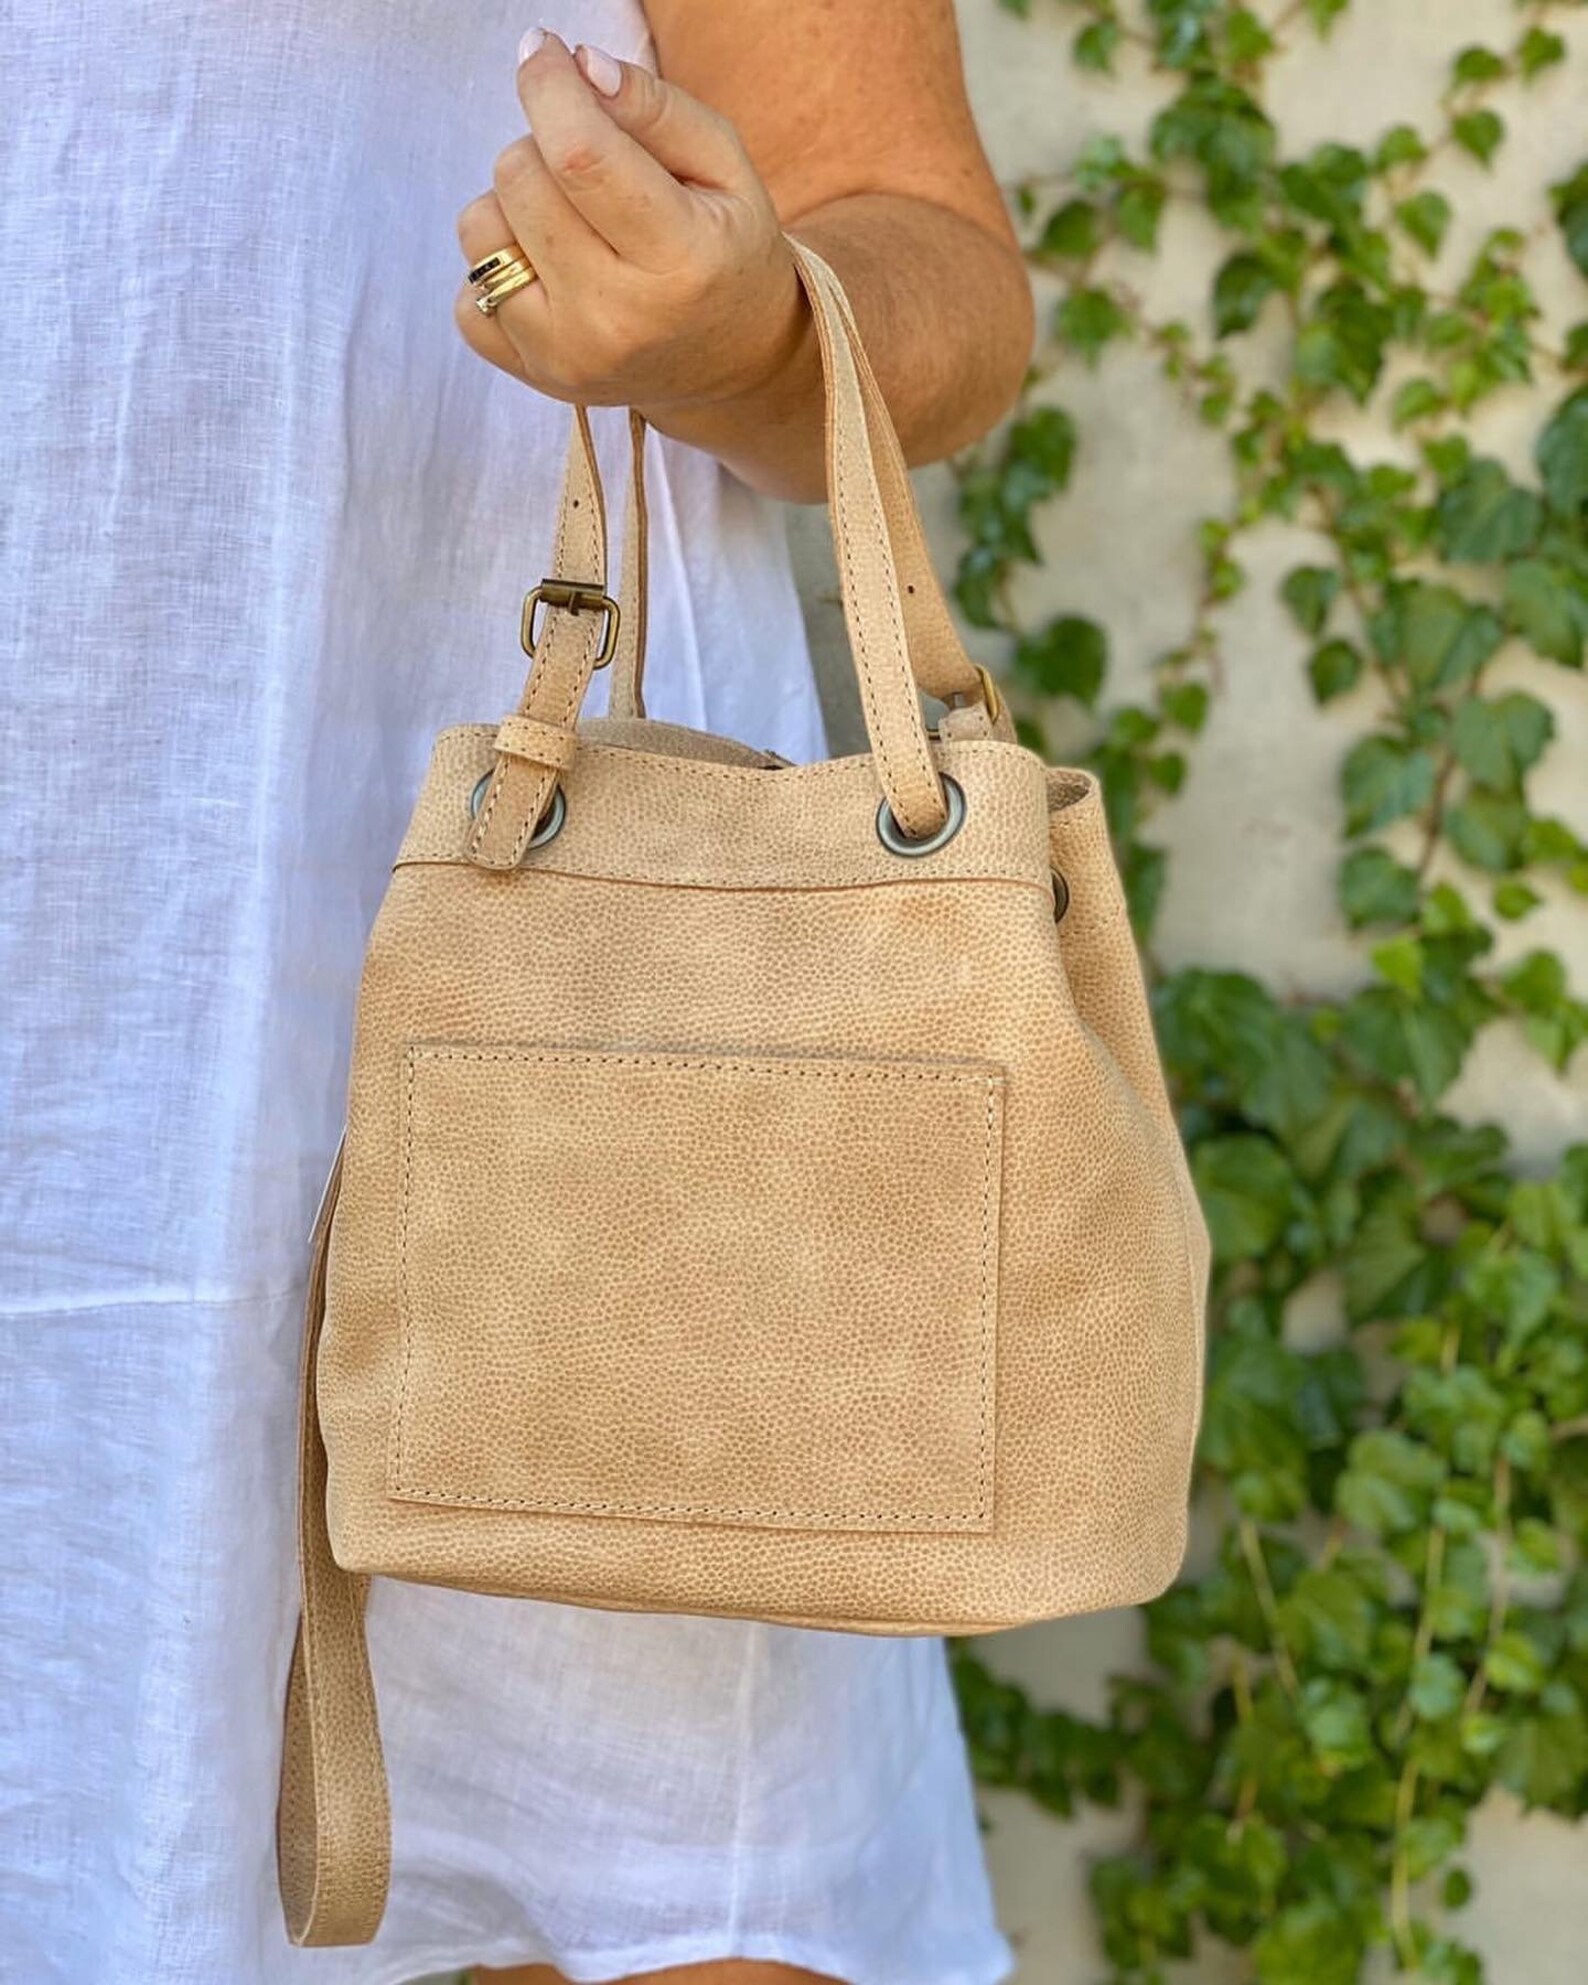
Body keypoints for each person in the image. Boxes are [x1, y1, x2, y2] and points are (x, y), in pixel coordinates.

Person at [0, 5, 1034, 1982]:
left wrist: (727, 327)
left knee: (653, 1859)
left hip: (540, 893)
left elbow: (913, 239)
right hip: (90, 912)